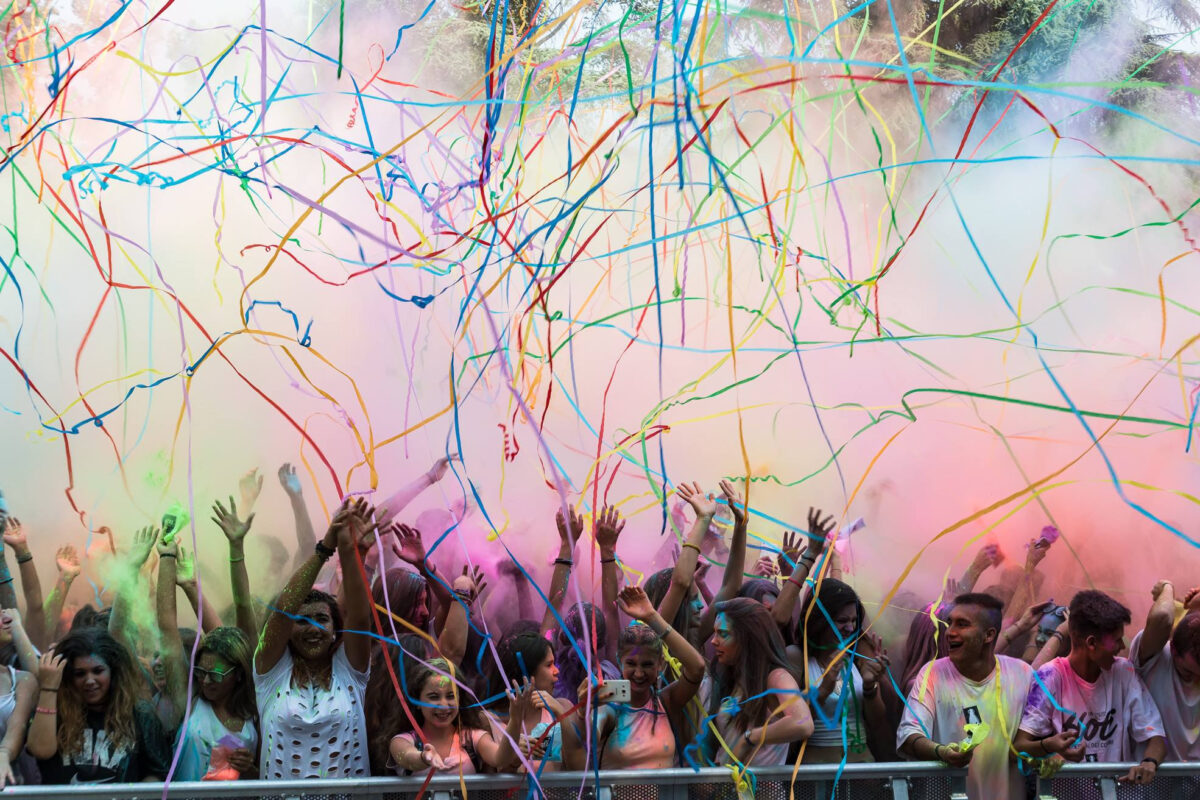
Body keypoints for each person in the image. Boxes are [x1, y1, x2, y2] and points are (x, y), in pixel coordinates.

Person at [254, 497, 375, 780]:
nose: (312, 628)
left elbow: (358, 616)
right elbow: (283, 610)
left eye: (321, 619)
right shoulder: (270, 672)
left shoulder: (350, 671)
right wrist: (325, 549)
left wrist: (351, 552)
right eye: (302, 620)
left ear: (336, 629)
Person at [1015, 590, 1167, 787]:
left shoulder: (1124, 672)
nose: (1122, 646)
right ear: (1092, 643)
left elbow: (1158, 739)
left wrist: (1149, 762)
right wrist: (1048, 748)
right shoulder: (1051, 675)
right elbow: (1020, 745)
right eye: (1117, 639)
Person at [897, 593, 1034, 800]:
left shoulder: (1022, 673)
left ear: (988, 635)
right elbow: (907, 735)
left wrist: (1053, 752)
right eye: (949, 623)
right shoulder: (933, 673)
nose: (949, 632)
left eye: (962, 624)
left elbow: (1042, 734)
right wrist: (942, 752)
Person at [562, 586, 707, 770]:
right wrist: (583, 713)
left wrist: (652, 617)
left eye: (647, 665)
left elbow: (697, 667)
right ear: (619, 661)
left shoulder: (667, 702)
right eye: (631, 664)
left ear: (660, 664)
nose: (639, 673)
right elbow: (589, 735)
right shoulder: (611, 708)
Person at [27, 627, 171, 783]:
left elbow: (158, 771)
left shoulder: (140, 713)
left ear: (113, 672)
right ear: (69, 676)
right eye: (80, 674)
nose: (89, 680)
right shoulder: (55, 708)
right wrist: (49, 687)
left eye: (98, 671)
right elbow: (40, 750)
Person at [702, 597, 814, 766]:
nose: (713, 641)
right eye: (714, 632)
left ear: (748, 637)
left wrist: (750, 738)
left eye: (723, 634)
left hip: (762, 791)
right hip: (728, 788)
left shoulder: (776, 677)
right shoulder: (737, 678)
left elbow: (803, 723)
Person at [796, 578, 888, 763]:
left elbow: (877, 722)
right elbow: (794, 722)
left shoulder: (855, 657)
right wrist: (823, 690)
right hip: (818, 777)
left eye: (854, 621)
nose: (850, 628)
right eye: (842, 620)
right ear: (820, 620)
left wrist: (870, 687)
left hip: (861, 772)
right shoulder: (799, 658)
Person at [387, 657, 528, 774]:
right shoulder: (403, 741)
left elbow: (500, 758)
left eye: (450, 696)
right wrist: (424, 757)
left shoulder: (472, 737)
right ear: (417, 701)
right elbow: (407, 757)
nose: (444, 705)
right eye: (433, 697)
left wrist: (515, 720)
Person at [170, 628, 260, 781]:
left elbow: (265, 777)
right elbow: (167, 631)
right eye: (200, 672)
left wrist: (249, 769)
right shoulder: (190, 699)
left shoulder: (254, 714)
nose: (205, 681)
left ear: (238, 674)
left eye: (215, 675)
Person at [1128, 580, 1200, 761]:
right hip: (1147, 781)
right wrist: (1167, 587)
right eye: (1188, 672)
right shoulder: (1155, 658)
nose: (1194, 680)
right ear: (1173, 650)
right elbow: (1162, 617)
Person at [0, 610, 36, 784]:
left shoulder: (22, 680)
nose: (7, 617)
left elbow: (17, 727)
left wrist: (3, 753)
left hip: (9, 785)